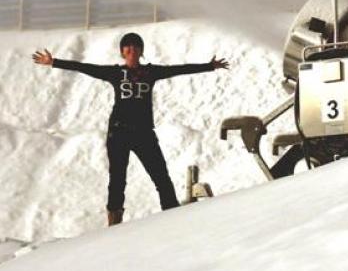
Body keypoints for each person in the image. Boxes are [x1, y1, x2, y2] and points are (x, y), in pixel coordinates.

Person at [32, 32, 229, 226]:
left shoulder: (150, 72)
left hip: (144, 132)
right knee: (117, 179)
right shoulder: (116, 73)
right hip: (118, 133)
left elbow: (179, 69)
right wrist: (54, 62)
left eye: (136, 47)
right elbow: (84, 67)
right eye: (128, 47)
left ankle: (172, 218)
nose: (132, 50)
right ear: (122, 52)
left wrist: (210, 66)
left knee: (161, 176)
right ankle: (114, 223)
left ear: (141, 51)